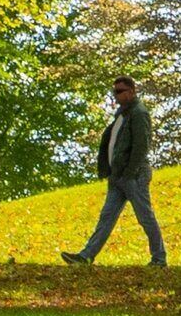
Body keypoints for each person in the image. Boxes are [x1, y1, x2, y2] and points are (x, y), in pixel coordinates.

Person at [64, 75, 163, 267]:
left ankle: (159, 258)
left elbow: (141, 146)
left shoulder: (139, 113)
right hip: (118, 177)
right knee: (106, 218)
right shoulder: (122, 114)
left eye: (120, 91)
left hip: (133, 176)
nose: (116, 95)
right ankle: (86, 256)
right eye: (114, 91)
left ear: (132, 91)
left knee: (145, 217)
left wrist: (129, 172)